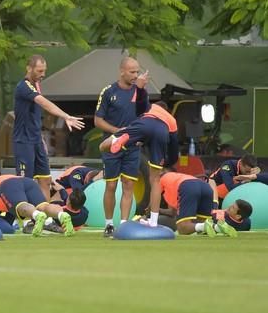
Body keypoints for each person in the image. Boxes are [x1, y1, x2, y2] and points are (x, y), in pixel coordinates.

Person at [13, 55, 85, 201]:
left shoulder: (37, 85)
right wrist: (66, 116)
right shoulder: (24, 86)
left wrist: (40, 139)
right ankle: (26, 218)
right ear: (29, 68)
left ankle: (45, 217)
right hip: (23, 141)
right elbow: (44, 103)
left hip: (36, 141)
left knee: (45, 180)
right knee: (25, 182)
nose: (43, 74)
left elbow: (33, 117)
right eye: (39, 71)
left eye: (44, 71)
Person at [99, 101, 177, 232]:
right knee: (155, 180)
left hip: (140, 128)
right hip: (161, 132)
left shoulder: (149, 107)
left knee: (104, 148)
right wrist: (167, 162)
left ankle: (120, 139)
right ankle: (153, 221)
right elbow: (174, 148)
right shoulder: (171, 120)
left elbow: (137, 117)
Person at [94, 56, 150, 237]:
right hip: (112, 146)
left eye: (137, 72)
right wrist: (118, 132)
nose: (135, 75)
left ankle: (124, 225)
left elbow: (146, 117)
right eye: (132, 72)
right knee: (111, 186)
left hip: (133, 147)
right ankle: (109, 225)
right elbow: (98, 120)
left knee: (128, 185)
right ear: (122, 71)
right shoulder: (109, 91)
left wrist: (140, 135)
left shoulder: (141, 92)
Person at [0, 174, 75, 237]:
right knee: (43, 206)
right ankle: (61, 215)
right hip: (28, 182)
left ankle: (36, 215)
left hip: (9, 184)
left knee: (21, 205)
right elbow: (8, 213)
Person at [158, 170, 236, 237]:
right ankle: (217, 227)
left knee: (182, 228)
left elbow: (154, 199)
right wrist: (160, 210)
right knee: (200, 226)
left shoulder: (160, 180)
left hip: (189, 186)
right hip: (205, 187)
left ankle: (206, 226)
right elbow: (173, 212)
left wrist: (148, 212)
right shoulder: (175, 178)